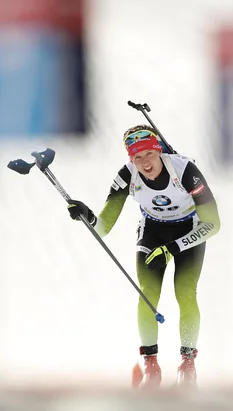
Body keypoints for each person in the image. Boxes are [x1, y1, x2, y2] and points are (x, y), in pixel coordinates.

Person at [66, 125, 221, 389]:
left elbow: (213, 224)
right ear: (130, 159)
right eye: (137, 157)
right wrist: (86, 215)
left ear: (158, 151)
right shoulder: (126, 176)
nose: (144, 163)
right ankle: (151, 364)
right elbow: (102, 227)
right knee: (148, 294)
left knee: (185, 291)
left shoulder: (185, 171)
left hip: (189, 229)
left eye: (148, 154)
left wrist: (174, 247)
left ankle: (187, 363)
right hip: (153, 230)